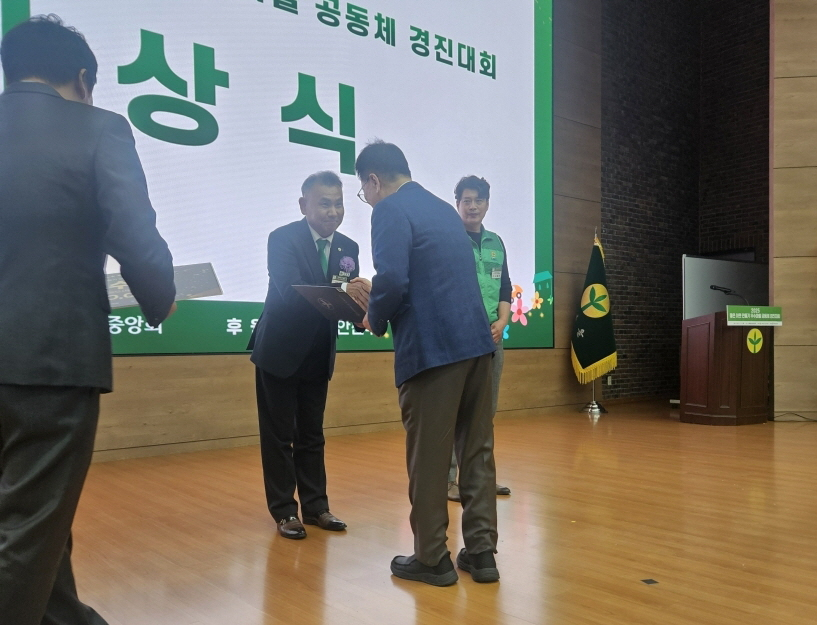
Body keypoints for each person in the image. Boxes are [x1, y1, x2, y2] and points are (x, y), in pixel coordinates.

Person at [0, 15, 176, 625]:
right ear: (82, 79)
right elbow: (134, 233)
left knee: (32, 515)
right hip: (49, 358)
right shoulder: (99, 128)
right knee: (27, 524)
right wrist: (160, 297)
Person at [357, 141, 500, 585]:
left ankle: (432, 558)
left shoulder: (389, 210)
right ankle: (482, 554)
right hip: (477, 346)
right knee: (476, 452)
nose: (367, 199)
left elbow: (393, 279)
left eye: (364, 191)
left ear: (374, 181)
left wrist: (374, 316)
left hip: (433, 351)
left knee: (430, 458)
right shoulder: (442, 208)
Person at [249, 171, 369, 539]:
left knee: (312, 434)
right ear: (304, 205)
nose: (333, 211)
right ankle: (285, 510)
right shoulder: (283, 239)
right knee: (278, 436)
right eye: (324, 203)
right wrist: (343, 296)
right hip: (280, 350)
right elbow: (291, 293)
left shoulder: (348, 247)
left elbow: (342, 299)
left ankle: (317, 507)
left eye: (339, 204)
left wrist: (363, 310)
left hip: (319, 352)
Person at [447, 176, 512, 502]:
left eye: (478, 200)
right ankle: (449, 481)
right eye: (467, 200)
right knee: (455, 411)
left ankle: (480, 478)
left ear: (487, 204)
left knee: (485, 412)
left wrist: (502, 321)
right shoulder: (448, 240)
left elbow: (505, 288)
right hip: (459, 338)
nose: (472, 206)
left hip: (491, 338)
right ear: (457, 203)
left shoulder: (496, 242)